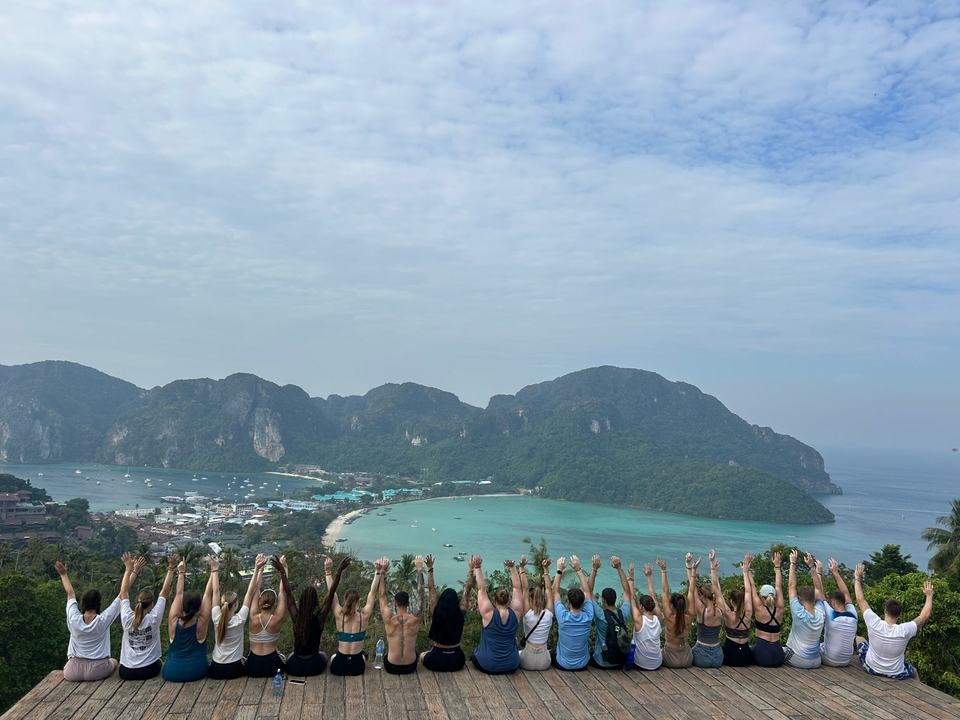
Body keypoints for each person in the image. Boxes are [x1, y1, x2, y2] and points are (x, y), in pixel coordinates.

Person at [854, 562, 933, 680]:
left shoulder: (874, 622)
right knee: (914, 672)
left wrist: (857, 578)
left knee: (859, 639)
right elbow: (924, 616)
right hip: (896, 673)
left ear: (885, 610)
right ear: (900, 615)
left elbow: (860, 599)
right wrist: (929, 596)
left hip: (871, 668)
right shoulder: (905, 630)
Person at [278, 554, 351, 676]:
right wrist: (338, 571)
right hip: (314, 666)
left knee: (291, 655)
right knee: (323, 655)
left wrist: (282, 570)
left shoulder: (296, 617)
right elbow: (332, 592)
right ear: (316, 601)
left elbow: (288, 593)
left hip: (294, 666)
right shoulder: (319, 618)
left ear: (301, 600)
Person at [56, 559, 121, 681]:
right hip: (97, 669)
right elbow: (122, 594)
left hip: (72, 670)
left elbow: (70, 594)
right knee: (114, 661)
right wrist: (131, 571)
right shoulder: (102, 620)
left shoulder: (74, 618)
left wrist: (63, 574)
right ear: (98, 604)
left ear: (83, 603)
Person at [208, 554, 266, 679]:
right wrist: (257, 568)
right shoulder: (240, 619)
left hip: (216, 669)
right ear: (236, 604)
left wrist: (215, 569)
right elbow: (250, 593)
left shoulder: (216, 618)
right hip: (235, 669)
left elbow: (216, 591)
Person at [119, 552, 175, 680]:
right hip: (149, 669)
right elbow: (164, 591)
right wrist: (171, 567)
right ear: (151, 604)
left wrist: (129, 569)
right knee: (159, 662)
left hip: (126, 671)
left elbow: (123, 592)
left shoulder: (127, 617)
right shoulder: (154, 618)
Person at [328, 554, 381, 676]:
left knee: (333, 657)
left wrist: (328, 572)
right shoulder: (364, 617)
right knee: (361, 657)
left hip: (338, 667)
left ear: (345, 599)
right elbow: (372, 593)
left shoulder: (339, 615)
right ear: (359, 601)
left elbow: (332, 592)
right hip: (357, 667)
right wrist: (377, 572)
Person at [163, 555, 214, 682]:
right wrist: (214, 570)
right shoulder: (201, 623)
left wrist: (181, 572)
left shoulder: (174, 621)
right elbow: (208, 594)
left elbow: (179, 594)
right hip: (197, 671)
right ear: (198, 608)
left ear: (183, 607)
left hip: (171, 672)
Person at [420, 555, 475, 672]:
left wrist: (430, 568)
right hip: (457, 660)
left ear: (441, 601)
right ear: (456, 602)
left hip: (436, 659)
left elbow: (431, 589)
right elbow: (468, 589)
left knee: (422, 656)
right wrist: (471, 569)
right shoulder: (461, 613)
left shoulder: (436, 611)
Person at [470, 556, 523, 674]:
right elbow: (517, 588)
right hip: (512, 664)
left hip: (487, 664)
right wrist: (512, 568)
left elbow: (481, 589)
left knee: (473, 654)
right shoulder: (516, 613)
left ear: (494, 600)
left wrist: (477, 567)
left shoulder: (488, 613)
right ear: (508, 600)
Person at [545, 555, 597, 671]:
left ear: (568, 602)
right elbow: (587, 591)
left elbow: (555, 592)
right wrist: (578, 569)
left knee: (551, 653)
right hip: (583, 664)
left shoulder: (563, 617)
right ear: (583, 602)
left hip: (563, 664)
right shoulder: (588, 617)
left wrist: (559, 570)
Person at [376, 555, 425, 675]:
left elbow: (381, 595)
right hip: (410, 666)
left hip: (391, 666)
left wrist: (382, 572)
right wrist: (419, 569)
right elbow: (421, 593)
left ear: (394, 604)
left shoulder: (389, 619)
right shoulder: (415, 618)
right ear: (408, 604)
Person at [246, 556, 287, 677]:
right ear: (274, 604)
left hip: (252, 666)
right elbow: (282, 592)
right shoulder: (277, 618)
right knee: (284, 657)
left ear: (260, 602)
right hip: (272, 666)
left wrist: (260, 569)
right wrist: (283, 569)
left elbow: (255, 590)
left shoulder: (253, 616)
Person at [784, 550, 826, 669]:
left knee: (776, 652)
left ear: (800, 597)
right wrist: (813, 568)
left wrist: (793, 563)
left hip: (799, 659)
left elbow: (791, 586)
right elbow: (818, 588)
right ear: (814, 598)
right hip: (816, 660)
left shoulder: (799, 613)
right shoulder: (820, 613)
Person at [746, 551, 786, 667]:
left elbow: (752, 586)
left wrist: (748, 569)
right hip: (778, 655)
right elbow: (779, 586)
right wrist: (777, 567)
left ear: (761, 596)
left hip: (762, 653)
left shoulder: (759, 609)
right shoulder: (780, 609)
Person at [817, 557, 858, 667]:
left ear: (833, 603)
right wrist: (835, 572)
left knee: (813, 646)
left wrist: (819, 573)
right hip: (847, 660)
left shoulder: (832, 615)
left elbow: (819, 592)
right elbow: (846, 593)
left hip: (830, 659)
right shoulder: (853, 615)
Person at [593, 556, 632, 669]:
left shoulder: (601, 616)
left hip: (601, 662)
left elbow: (588, 592)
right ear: (615, 599)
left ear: (603, 600)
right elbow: (627, 591)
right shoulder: (623, 613)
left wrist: (594, 569)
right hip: (620, 661)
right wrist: (619, 568)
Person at [517, 555, 553, 671]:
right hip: (545, 663)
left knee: (518, 652)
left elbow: (525, 589)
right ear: (543, 600)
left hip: (527, 661)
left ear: (531, 601)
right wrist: (546, 569)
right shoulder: (548, 615)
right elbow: (548, 589)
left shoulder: (527, 615)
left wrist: (522, 569)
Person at [688, 552, 723, 668]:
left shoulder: (702, 611)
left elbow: (692, 590)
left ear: (703, 596)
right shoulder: (720, 609)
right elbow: (716, 587)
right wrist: (712, 563)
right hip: (718, 656)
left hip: (701, 655)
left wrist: (691, 568)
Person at [625, 563, 663, 671]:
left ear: (641, 607)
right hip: (657, 663)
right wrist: (649, 577)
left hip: (640, 663)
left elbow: (631, 598)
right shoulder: (659, 619)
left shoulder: (639, 620)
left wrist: (631, 577)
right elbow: (653, 597)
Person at [656, 558, 693, 668]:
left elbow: (665, 591)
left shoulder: (669, 618)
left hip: (671, 658)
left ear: (671, 605)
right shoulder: (690, 617)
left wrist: (663, 571)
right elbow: (692, 591)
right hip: (687, 658)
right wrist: (692, 571)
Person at [721, 555, 754, 667]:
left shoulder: (729, 615)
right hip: (746, 657)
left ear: (731, 601)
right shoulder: (748, 613)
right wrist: (745, 572)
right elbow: (749, 592)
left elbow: (718, 593)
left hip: (730, 656)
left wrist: (713, 571)